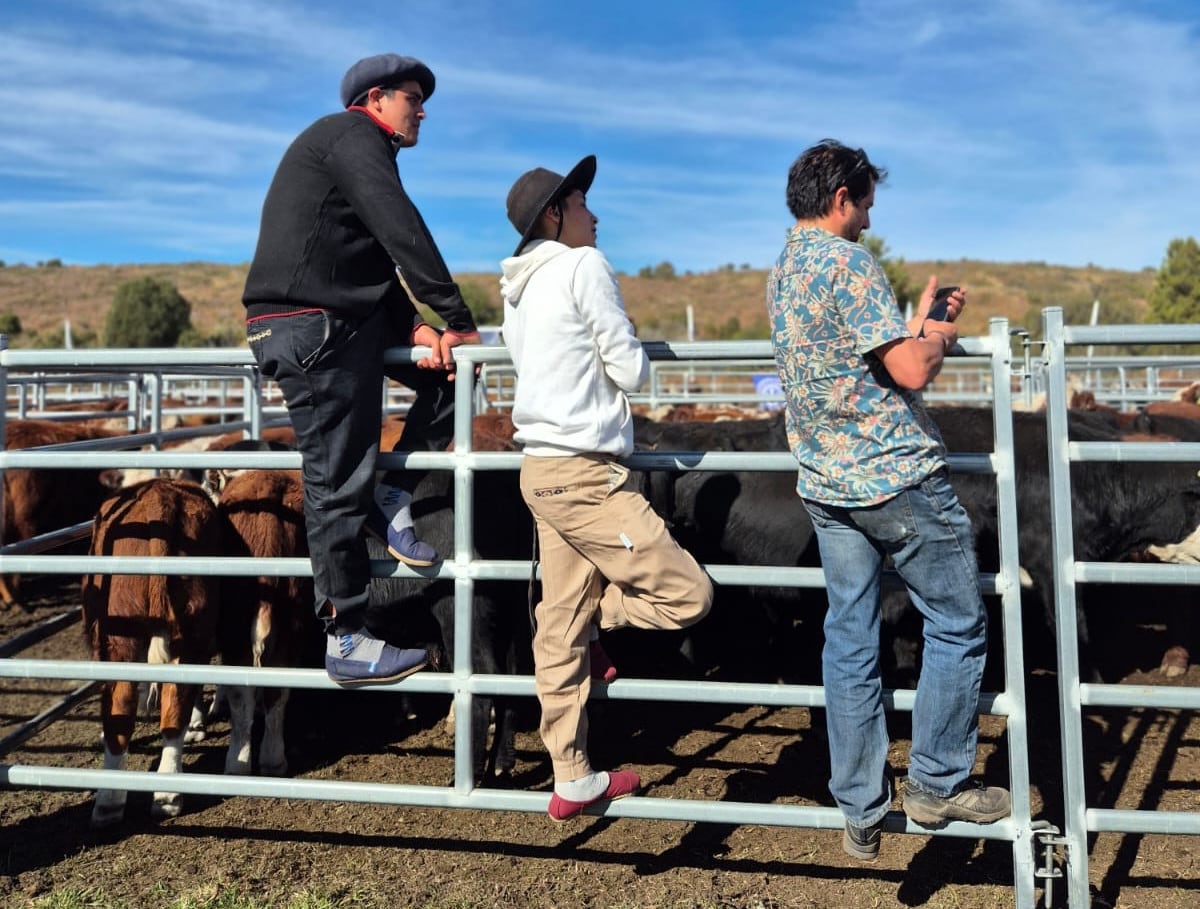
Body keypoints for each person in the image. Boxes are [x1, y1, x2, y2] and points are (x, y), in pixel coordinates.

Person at [766, 139, 1010, 860]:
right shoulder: (848, 261)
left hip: (824, 481)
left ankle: (860, 803)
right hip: (891, 476)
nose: (870, 217)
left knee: (848, 635)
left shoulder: (783, 269)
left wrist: (907, 320)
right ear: (842, 196)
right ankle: (935, 780)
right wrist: (933, 332)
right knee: (959, 620)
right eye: (867, 202)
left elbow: (849, 351)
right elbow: (907, 368)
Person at [243, 53, 480, 686]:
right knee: (336, 477)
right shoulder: (354, 136)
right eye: (412, 96)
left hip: (329, 321)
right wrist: (456, 315)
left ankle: (391, 494)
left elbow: (372, 259)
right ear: (376, 99)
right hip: (311, 326)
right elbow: (401, 230)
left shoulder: (350, 152)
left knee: (448, 378)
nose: (422, 109)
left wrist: (418, 329)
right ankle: (347, 634)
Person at [499, 155, 714, 821]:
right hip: (589, 472)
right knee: (689, 594)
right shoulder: (582, 266)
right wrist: (632, 357)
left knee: (558, 618)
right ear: (554, 215)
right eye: (584, 203)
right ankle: (604, 619)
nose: (596, 215)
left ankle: (573, 773)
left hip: (540, 468)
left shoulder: (517, 289)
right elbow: (629, 367)